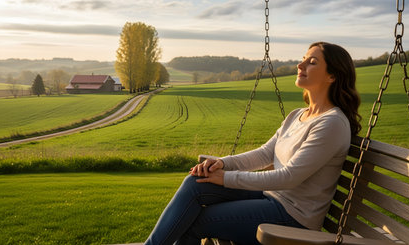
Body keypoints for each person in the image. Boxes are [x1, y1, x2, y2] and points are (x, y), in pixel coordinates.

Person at [144, 42, 361, 245]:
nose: (300, 64)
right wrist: (222, 164)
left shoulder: (331, 123)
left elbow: (289, 177)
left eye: (312, 62)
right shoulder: (298, 115)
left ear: (332, 75)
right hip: (272, 198)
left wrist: (227, 178)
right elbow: (265, 154)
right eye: (303, 58)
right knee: (195, 183)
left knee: (195, 222)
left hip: (293, 217)